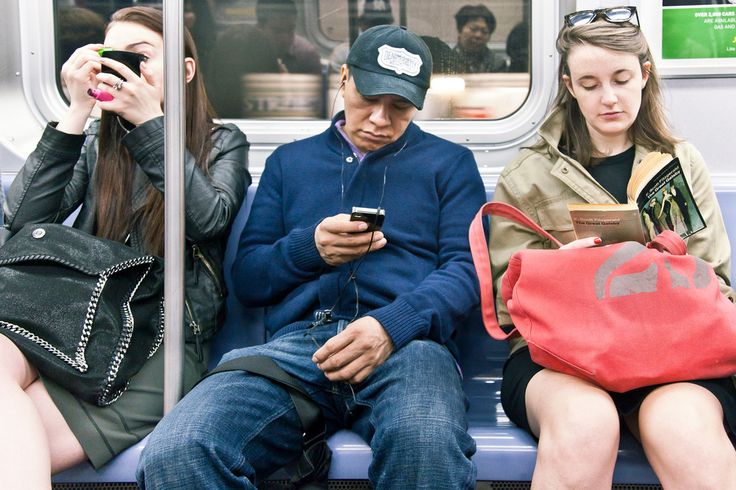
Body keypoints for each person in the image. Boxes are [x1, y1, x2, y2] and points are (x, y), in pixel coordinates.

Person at [137, 25, 484, 489]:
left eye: (399, 107)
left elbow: (467, 271)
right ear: (343, 78)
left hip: (408, 344)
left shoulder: (450, 164)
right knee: (179, 449)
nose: (380, 119)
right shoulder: (289, 162)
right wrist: (310, 250)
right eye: (368, 99)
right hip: (299, 348)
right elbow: (250, 279)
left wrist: (392, 325)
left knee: (425, 444)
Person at [0, 6, 250, 487]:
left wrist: (150, 124)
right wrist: (75, 111)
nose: (124, 68)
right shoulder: (96, 141)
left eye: (142, 57)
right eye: (112, 56)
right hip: (78, 321)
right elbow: (22, 223)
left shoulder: (222, 142)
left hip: (160, 342)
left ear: (184, 71)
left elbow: (206, 221)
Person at [489, 7, 736, 488]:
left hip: (673, 348)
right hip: (561, 356)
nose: (609, 98)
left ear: (644, 75)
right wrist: (560, 273)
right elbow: (506, 303)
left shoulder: (681, 162)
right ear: (568, 86)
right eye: (589, 84)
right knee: (585, 425)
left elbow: (716, 281)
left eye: (622, 79)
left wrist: (661, 263)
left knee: (683, 429)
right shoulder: (527, 174)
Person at [208, 0, 322, 117]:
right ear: (260, 27)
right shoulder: (241, 49)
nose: (285, 39)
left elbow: (312, 110)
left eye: (290, 30)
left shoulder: (306, 56)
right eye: (277, 31)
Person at [328, 0, 395, 73]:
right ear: (361, 23)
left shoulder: (398, 51)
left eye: (383, 23)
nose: (378, 28)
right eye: (372, 23)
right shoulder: (343, 53)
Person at [452, 4, 506, 73]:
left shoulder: (497, 64)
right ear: (460, 30)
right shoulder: (444, 61)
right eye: (473, 29)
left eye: (484, 31)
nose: (478, 35)